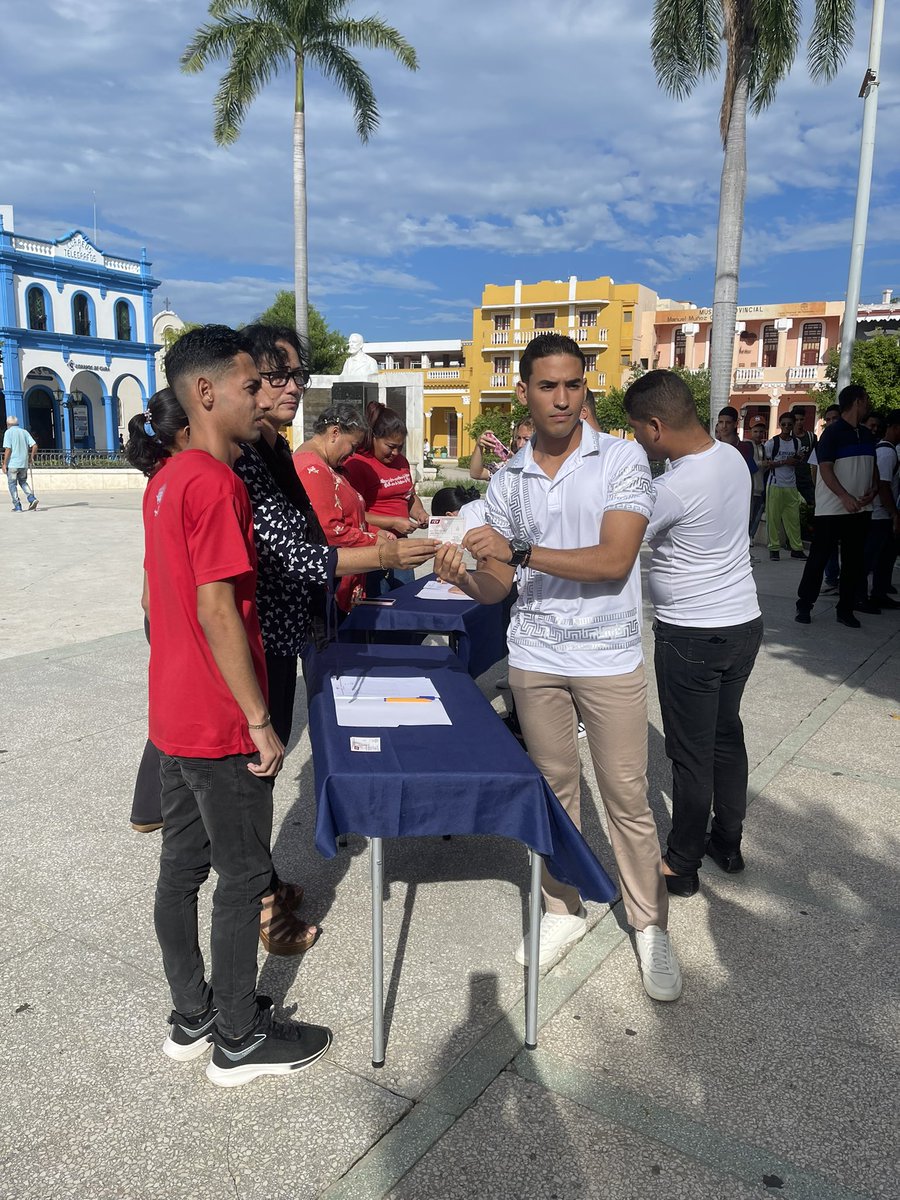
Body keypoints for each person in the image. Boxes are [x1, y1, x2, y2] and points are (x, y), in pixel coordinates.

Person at [434, 332, 681, 1002]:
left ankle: (650, 925)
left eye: (574, 384)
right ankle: (560, 908)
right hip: (535, 658)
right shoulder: (509, 478)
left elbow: (612, 562)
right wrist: (462, 573)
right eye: (549, 385)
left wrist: (517, 548)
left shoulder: (623, 460)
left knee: (627, 796)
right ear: (524, 392)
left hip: (607, 655)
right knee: (551, 791)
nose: (564, 398)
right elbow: (498, 587)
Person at [144, 324, 332, 1087]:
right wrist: (260, 718)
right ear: (206, 392)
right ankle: (239, 1037)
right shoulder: (216, 482)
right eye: (253, 385)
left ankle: (191, 1016)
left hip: (174, 717)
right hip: (221, 721)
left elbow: (160, 601)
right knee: (243, 877)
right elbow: (218, 606)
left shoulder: (164, 479)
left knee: (179, 871)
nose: (266, 397)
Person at [234, 328, 437, 953]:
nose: (295, 386)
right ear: (240, 380)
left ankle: (261, 879)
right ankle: (258, 903)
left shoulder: (272, 448)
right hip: (258, 634)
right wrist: (384, 549)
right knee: (254, 774)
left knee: (269, 767)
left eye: (300, 374)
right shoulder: (244, 457)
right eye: (278, 375)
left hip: (287, 626)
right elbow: (296, 550)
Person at [625, 371, 763, 894]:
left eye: (637, 430)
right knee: (726, 735)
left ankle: (681, 864)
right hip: (743, 623)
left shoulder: (672, 488)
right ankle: (727, 841)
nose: (636, 439)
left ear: (656, 427)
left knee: (690, 752)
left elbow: (616, 535)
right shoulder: (730, 456)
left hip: (692, 635)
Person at [124, 387, 191, 834]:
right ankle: (151, 805)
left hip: (158, 604)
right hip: (173, 608)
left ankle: (151, 807)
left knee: (171, 709)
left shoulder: (160, 477)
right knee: (176, 715)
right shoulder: (183, 477)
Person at [294, 403, 422, 614]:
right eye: (352, 446)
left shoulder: (325, 466)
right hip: (332, 578)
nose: (352, 453)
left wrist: (375, 531)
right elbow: (331, 531)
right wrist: (375, 541)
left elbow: (349, 518)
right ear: (335, 433)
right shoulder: (313, 469)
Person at [796, 385, 879, 628]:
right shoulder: (832, 434)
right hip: (832, 510)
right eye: (866, 400)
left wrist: (873, 489)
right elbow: (825, 468)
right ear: (857, 402)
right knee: (819, 559)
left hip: (861, 510)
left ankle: (845, 609)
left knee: (854, 562)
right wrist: (843, 496)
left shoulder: (866, 434)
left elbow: (872, 466)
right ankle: (804, 605)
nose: (868, 405)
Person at [343, 402, 430, 595]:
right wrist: (392, 522)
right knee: (378, 603)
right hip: (374, 547)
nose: (396, 453)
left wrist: (420, 513)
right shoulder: (358, 464)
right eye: (390, 447)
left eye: (400, 447)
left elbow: (409, 497)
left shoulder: (401, 462)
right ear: (373, 437)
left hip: (402, 545)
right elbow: (352, 513)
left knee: (404, 598)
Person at [863, 409, 900, 609]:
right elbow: (884, 486)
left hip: (881, 513)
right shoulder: (886, 452)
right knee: (870, 559)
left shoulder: (885, 449)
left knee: (884, 558)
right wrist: (894, 514)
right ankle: (861, 597)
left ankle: (879, 593)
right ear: (895, 428)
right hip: (879, 514)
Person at [763, 412, 807, 561]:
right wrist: (785, 462)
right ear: (779, 425)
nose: (786, 427)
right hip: (775, 484)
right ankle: (774, 549)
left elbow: (797, 460)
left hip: (791, 485)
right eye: (784, 424)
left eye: (789, 424)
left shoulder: (797, 443)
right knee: (773, 519)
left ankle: (796, 548)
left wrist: (797, 460)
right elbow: (767, 464)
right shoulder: (772, 443)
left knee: (793, 520)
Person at [809, 405, 841, 592]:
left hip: (846, 503)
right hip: (826, 503)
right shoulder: (822, 444)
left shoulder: (847, 441)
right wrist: (818, 492)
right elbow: (814, 469)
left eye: (834, 419)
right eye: (827, 419)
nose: (830, 423)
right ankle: (831, 578)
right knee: (825, 546)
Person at [468, 418, 534, 482]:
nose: (520, 445)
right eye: (519, 438)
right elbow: (476, 473)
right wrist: (479, 446)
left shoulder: (542, 469)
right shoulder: (508, 466)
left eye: (526, 439)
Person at [3, 416, 38, 512]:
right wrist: (31, 458)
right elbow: (34, 445)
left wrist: (4, 463)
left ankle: (17, 506)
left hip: (13, 464)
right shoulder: (24, 432)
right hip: (24, 463)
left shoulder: (8, 432)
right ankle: (32, 498)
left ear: (8, 424)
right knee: (23, 481)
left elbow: (8, 449)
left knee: (12, 484)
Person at [791, 407, 817, 509]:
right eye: (796, 420)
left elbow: (815, 459)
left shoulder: (811, 437)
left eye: (801, 419)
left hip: (807, 480)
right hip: (792, 480)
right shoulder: (788, 437)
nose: (799, 422)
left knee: (810, 507)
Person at [748, 419, 768, 543]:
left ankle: (751, 537)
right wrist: (762, 463)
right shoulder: (748, 446)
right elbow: (748, 464)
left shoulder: (764, 448)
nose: (758, 434)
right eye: (755, 431)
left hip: (760, 487)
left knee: (757, 516)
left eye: (761, 431)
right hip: (750, 487)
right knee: (749, 516)